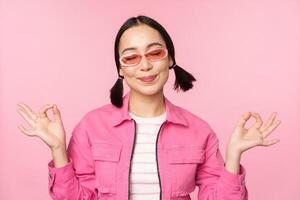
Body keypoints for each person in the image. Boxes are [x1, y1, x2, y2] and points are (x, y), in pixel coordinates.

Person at [17, 15, 281, 200]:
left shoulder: (199, 131)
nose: (145, 65)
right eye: (131, 57)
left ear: (170, 59)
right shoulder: (91, 127)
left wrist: (233, 156)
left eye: (155, 53)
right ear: (121, 69)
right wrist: (57, 150)